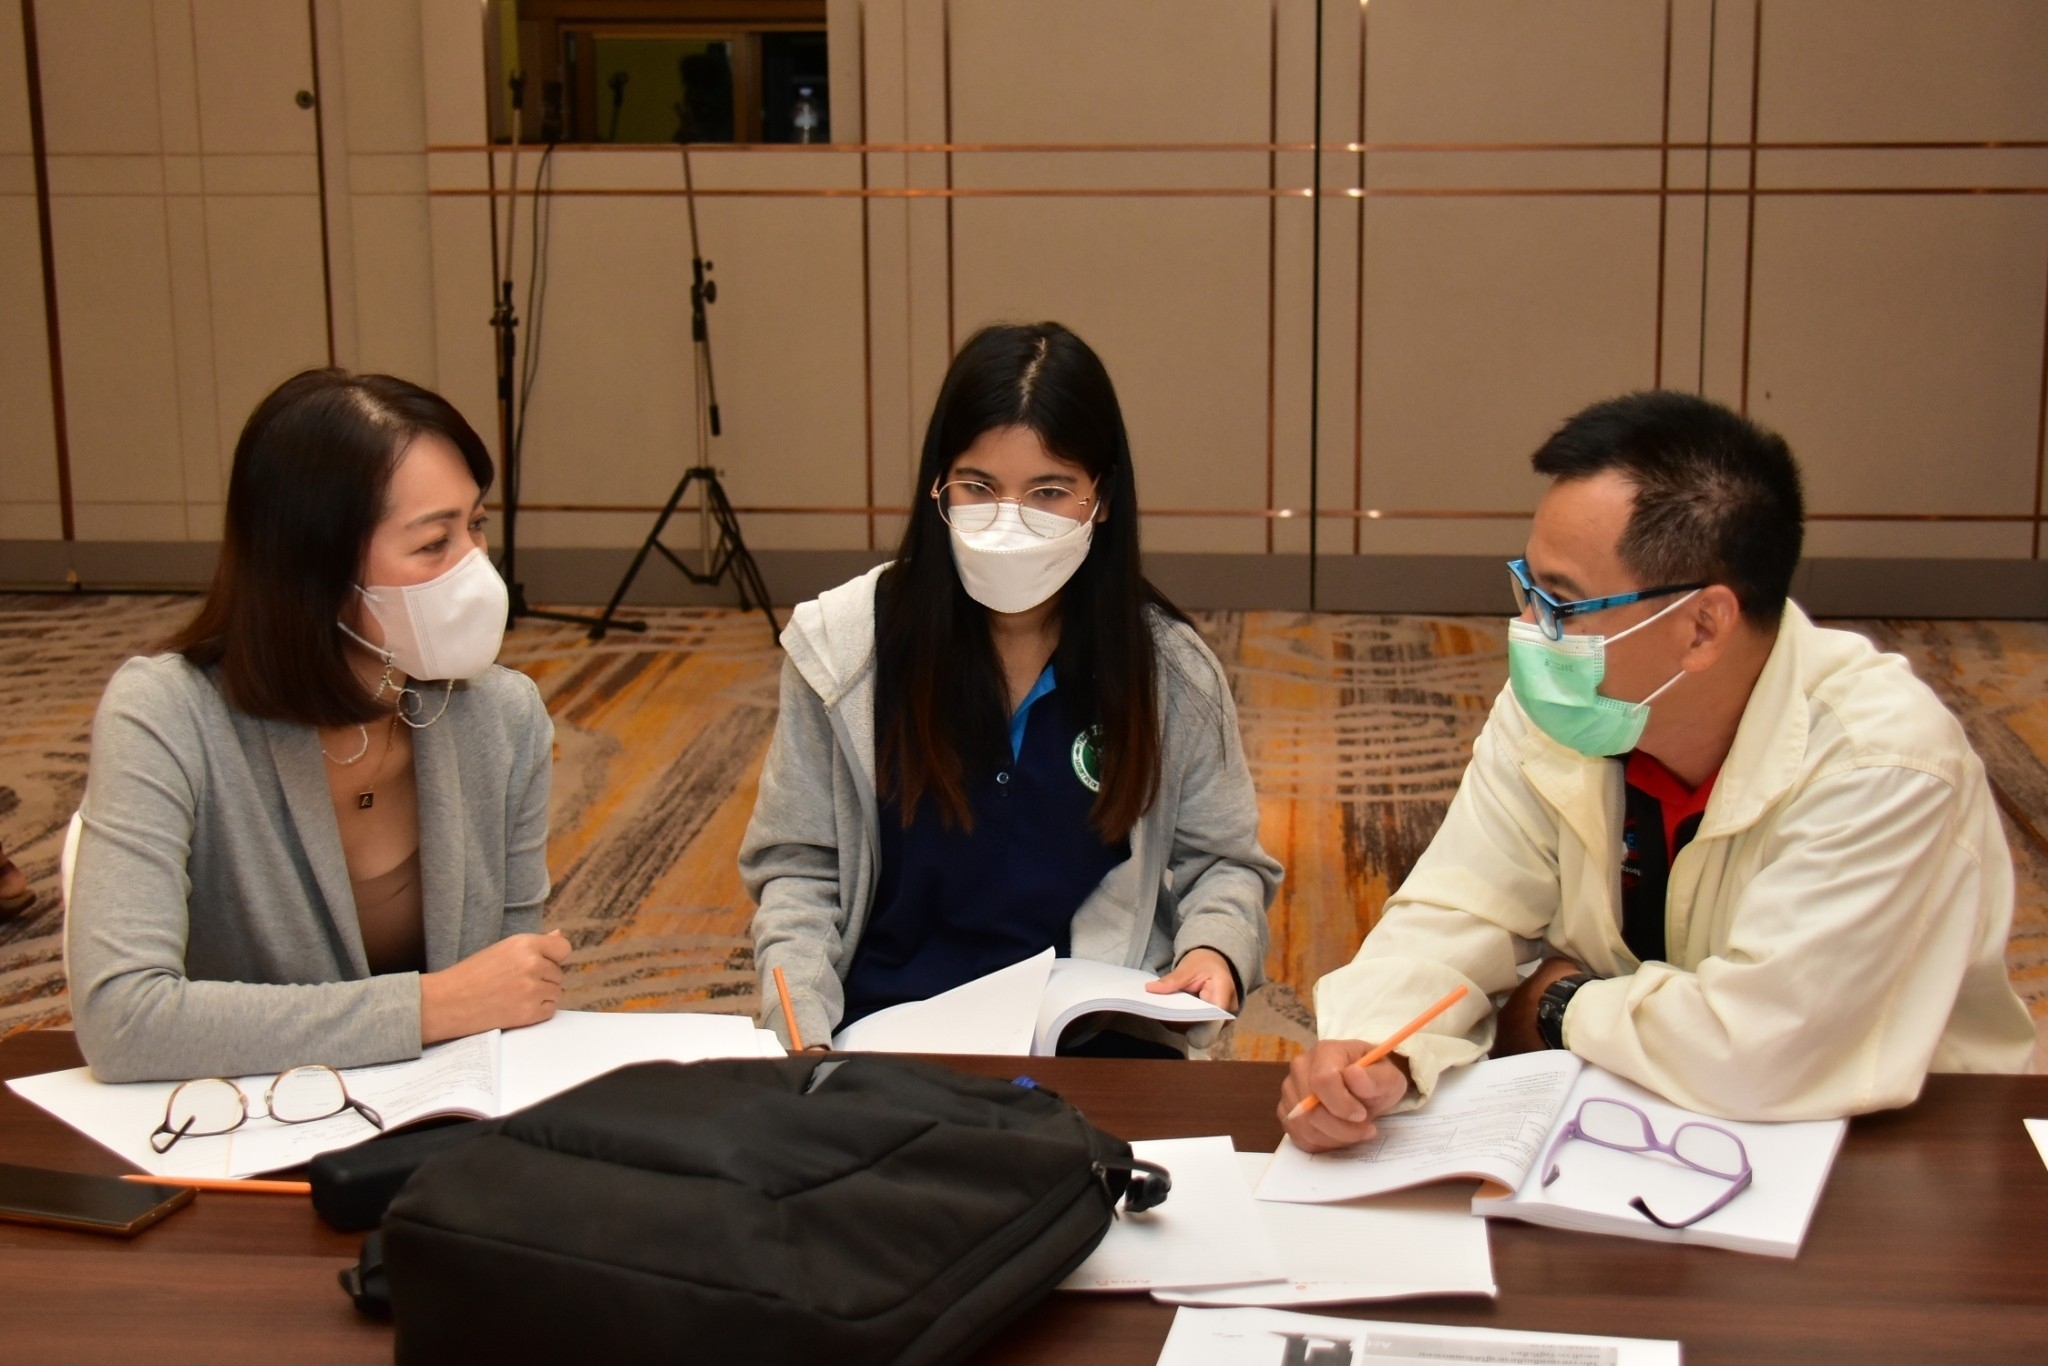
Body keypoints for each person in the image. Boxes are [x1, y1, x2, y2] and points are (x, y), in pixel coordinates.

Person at [1283, 391, 2034, 1144]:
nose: (1526, 629)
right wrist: (1374, 1049)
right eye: (1527, 588)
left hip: (1889, 1152)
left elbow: (1759, 1051)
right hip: (1629, 1124)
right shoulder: (1567, 710)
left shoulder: (1884, 765)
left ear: (1702, 626)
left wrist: (1553, 1003)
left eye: (1562, 605)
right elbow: (1458, 910)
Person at [743, 322, 1279, 1055]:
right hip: (888, 1027)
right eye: (979, 488)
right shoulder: (842, 652)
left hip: (1091, 1035)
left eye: (1049, 492)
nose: (1008, 523)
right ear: (938, 485)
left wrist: (1214, 950)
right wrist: (802, 1029)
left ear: (1102, 499)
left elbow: (1224, 861)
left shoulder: (1169, 672)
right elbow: (800, 870)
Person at [68, 369, 569, 1084]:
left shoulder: (502, 716)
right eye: (435, 543)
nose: (476, 570)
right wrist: (427, 1007)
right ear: (315, 567)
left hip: (445, 1117)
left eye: (477, 525)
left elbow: (508, 994)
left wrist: (471, 1007)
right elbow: (124, 1021)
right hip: (240, 1123)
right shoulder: (167, 716)